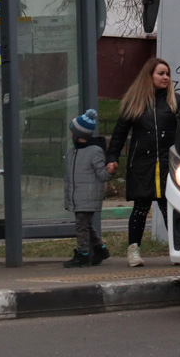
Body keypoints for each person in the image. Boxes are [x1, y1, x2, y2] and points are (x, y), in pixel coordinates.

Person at [106, 58, 180, 267]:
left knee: (169, 207)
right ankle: (134, 251)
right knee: (141, 207)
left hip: (168, 164)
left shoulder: (175, 102)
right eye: (161, 73)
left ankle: (178, 250)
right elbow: (119, 134)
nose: (166, 77)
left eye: (167, 74)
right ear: (149, 76)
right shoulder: (134, 102)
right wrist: (112, 158)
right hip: (142, 164)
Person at [63, 108, 112, 268]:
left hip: (88, 196)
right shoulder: (73, 152)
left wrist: (110, 171)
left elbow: (102, 174)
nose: (71, 135)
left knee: (81, 225)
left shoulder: (95, 151)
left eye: (72, 132)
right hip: (78, 197)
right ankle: (100, 249)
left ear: (79, 135)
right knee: (86, 225)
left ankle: (83, 254)